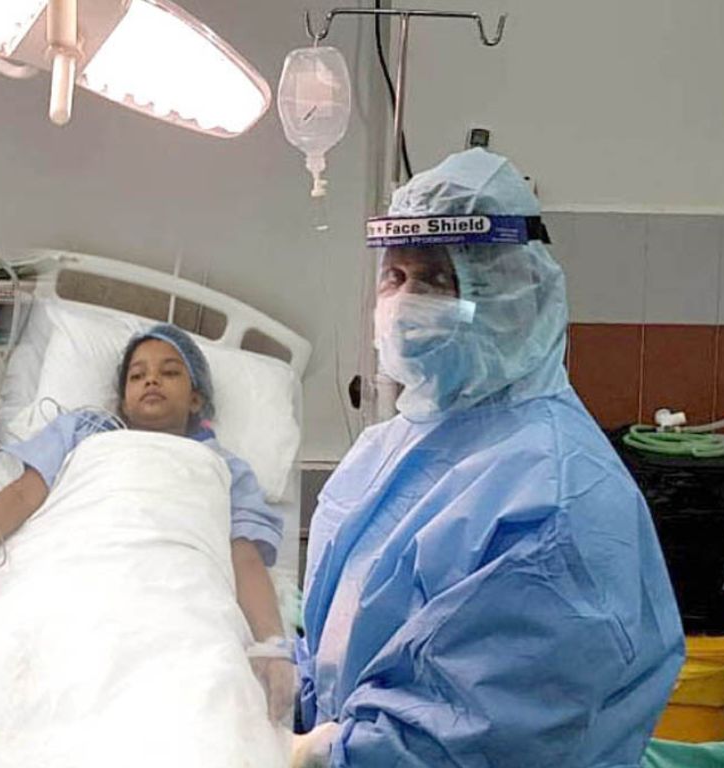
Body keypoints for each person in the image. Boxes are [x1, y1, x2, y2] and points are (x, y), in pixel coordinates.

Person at [293, 148, 685, 768]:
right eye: (395, 277)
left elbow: (479, 737)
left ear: (510, 296)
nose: (405, 302)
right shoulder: (385, 451)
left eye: (435, 280)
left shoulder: (552, 499)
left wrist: (313, 755)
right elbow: (333, 647)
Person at [0, 324, 295, 722]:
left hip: (177, 585)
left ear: (196, 398)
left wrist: (272, 646)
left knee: (193, 684)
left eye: (169, 372)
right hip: (73, 563)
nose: (152, 380)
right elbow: (23, 495)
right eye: (137, 376)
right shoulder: (86, 432)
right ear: (123, 400)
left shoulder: (225, 467)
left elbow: (244, 556)